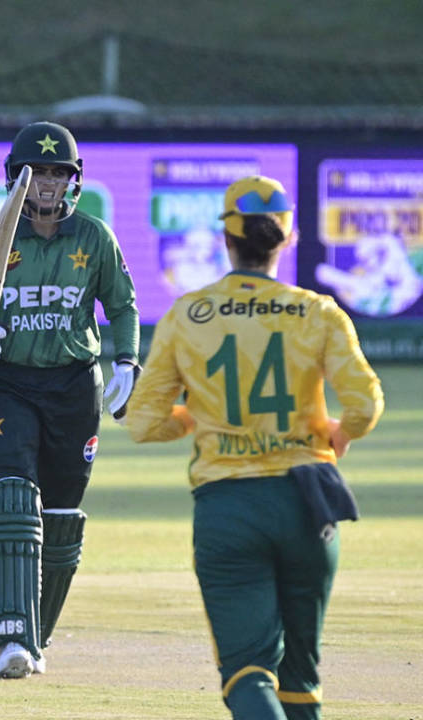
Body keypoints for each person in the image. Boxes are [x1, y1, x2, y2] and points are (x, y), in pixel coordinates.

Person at [126, 175, 383, 719]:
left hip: (228, 508)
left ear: (228, 238)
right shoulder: (318, 311)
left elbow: (144, 422)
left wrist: (197, 418)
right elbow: (364, 407)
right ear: (287, 239)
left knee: (247, 673)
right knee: (300, 681)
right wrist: (336, 436)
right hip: (308, 504)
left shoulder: (188, 314)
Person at [0, 120, 140, 678]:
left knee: (61, 517)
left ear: (74, 181)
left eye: (58, 174)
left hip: (75, 387)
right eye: (37, 174)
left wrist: (126, 360)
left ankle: (35, 636)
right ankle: (9, 636)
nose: (47, 185)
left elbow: (122, 306)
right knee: (11, 495)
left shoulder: (95, 237)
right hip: (7, 384)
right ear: (15, 178)